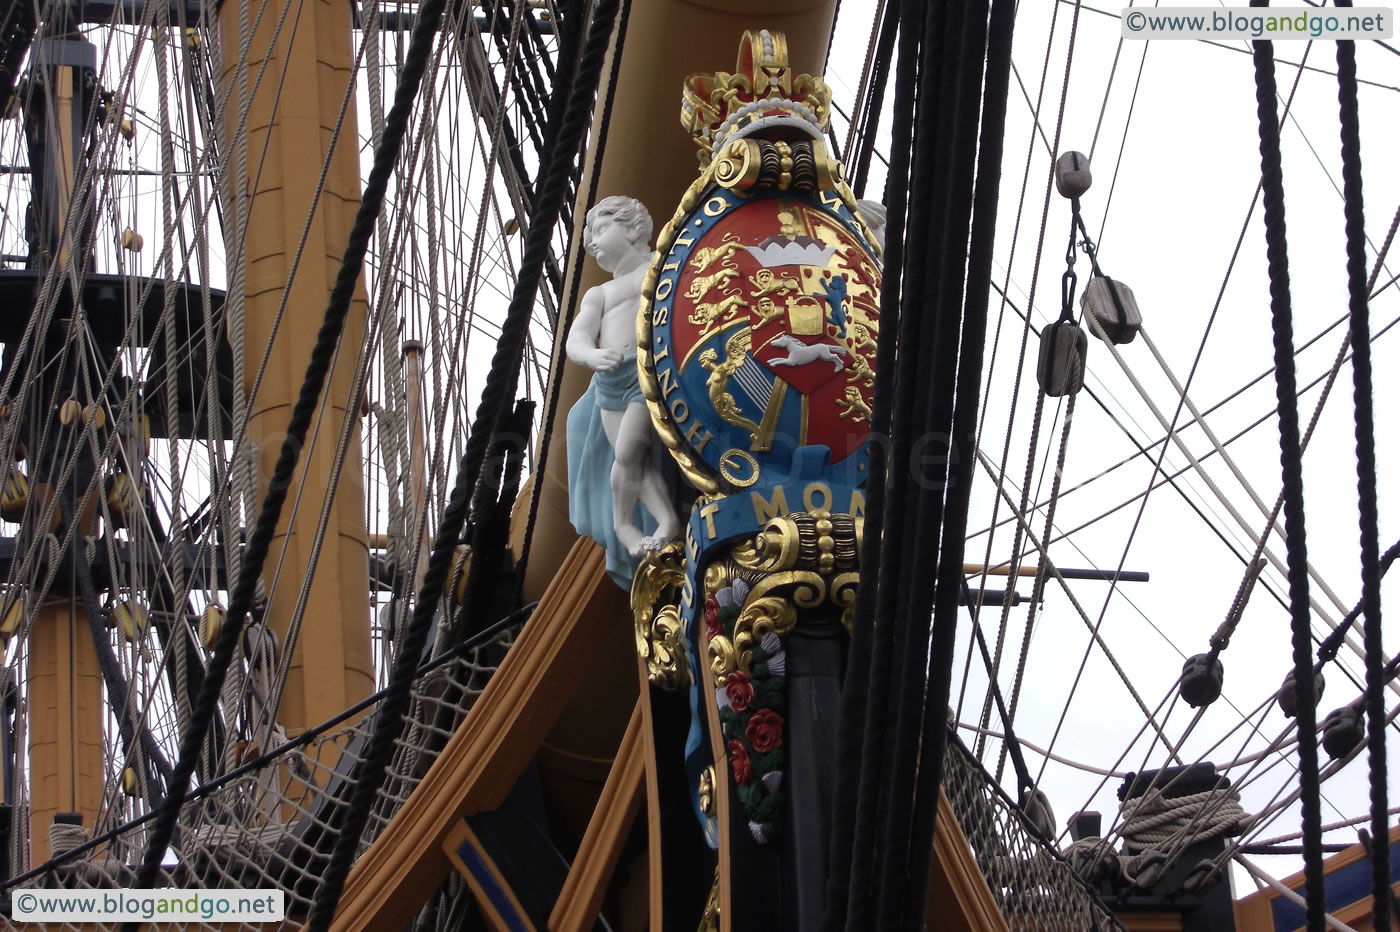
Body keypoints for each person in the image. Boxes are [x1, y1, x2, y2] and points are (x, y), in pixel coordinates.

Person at [565, 196, 679, 586]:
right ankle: (632, 523)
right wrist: (593, 355)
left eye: (600, 230)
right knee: (631, 460)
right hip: (612, 379)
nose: (594, 243)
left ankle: (652, 520)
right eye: (589, 240)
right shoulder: (600, 294)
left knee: (631, 448)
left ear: (632, 227)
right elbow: (576, 337)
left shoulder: (663, 267)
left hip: (650, 372)